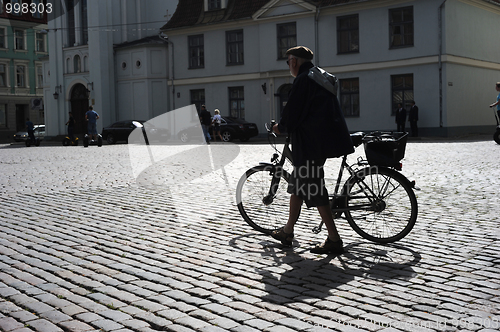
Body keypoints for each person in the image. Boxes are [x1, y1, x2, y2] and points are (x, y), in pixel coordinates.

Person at [271, 46, 354, 255]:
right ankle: (287, 231)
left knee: (315, 190)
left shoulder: (304, 79)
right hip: (320, 141)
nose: (289, 65)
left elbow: (293, 110)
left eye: (288, 61)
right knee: (299, 186)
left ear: (294, 61)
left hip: (310, 145)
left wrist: (279, 127)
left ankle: (334, 239)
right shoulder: (318, 76)